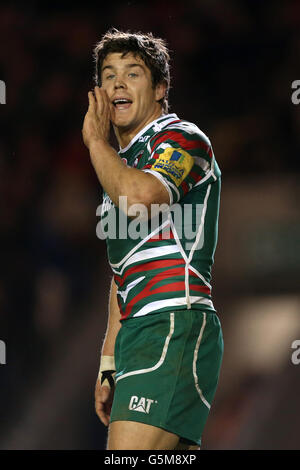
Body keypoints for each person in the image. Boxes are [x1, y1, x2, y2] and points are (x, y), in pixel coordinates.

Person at [82, 28, 223, 450]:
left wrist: (93, 140)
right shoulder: (121, 165)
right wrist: (109, 362)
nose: (118, 83)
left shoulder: (182, 138)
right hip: (140, 335)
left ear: (161, 88)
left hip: (173, 323)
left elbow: (143, 200)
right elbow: (123, 272)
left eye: (132, 73)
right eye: (108, 75)